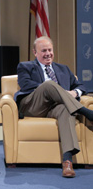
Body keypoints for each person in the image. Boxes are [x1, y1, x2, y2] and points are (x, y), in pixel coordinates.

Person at [14, 36, 93, 178]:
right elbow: (25, 84)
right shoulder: (25, 66)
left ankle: (67, 161)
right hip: (33, 106)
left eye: (50, 50)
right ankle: (85, 112)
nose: (48, 53)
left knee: (65, 109)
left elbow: (81, 86)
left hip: (55, 108)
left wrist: (74, 92)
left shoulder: (63, 69)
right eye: (43, 50)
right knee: (49, 84)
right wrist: (53, 90)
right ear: (35, 52)